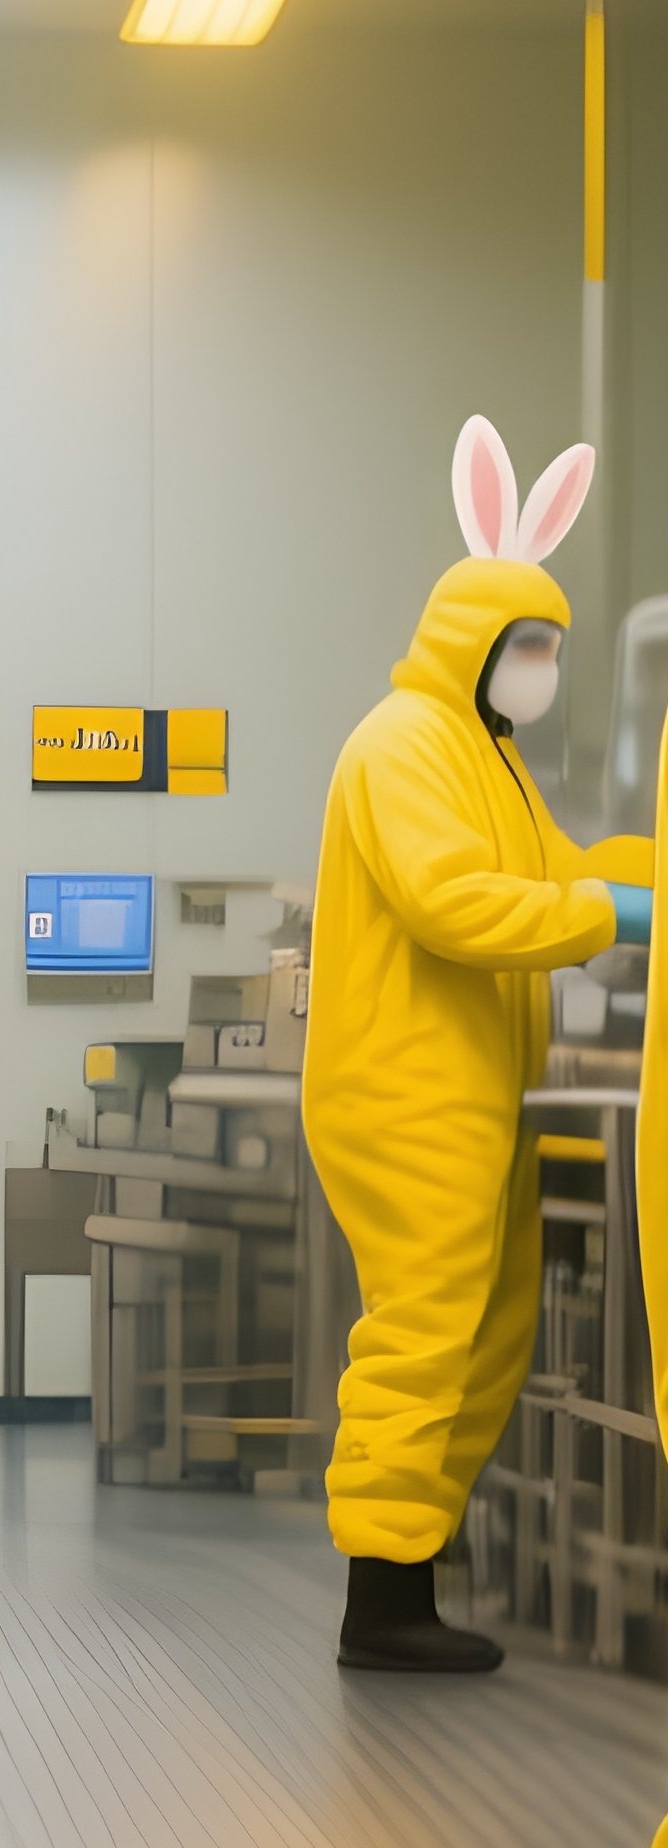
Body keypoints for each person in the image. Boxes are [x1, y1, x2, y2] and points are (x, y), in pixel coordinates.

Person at [303, 415, 652, 1672]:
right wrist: (613, 915)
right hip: (406, 1090)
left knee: (490, 1329)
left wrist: (640, 874)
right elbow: (453, 903)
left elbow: (561, 869)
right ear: (476, 643)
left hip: (477, 1093)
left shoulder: (488, 757)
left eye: (553, 647)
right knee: (424, 1330)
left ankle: (409, 1572)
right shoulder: (403, 746)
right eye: (533, 647)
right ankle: (379, 1607)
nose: (546, 669)